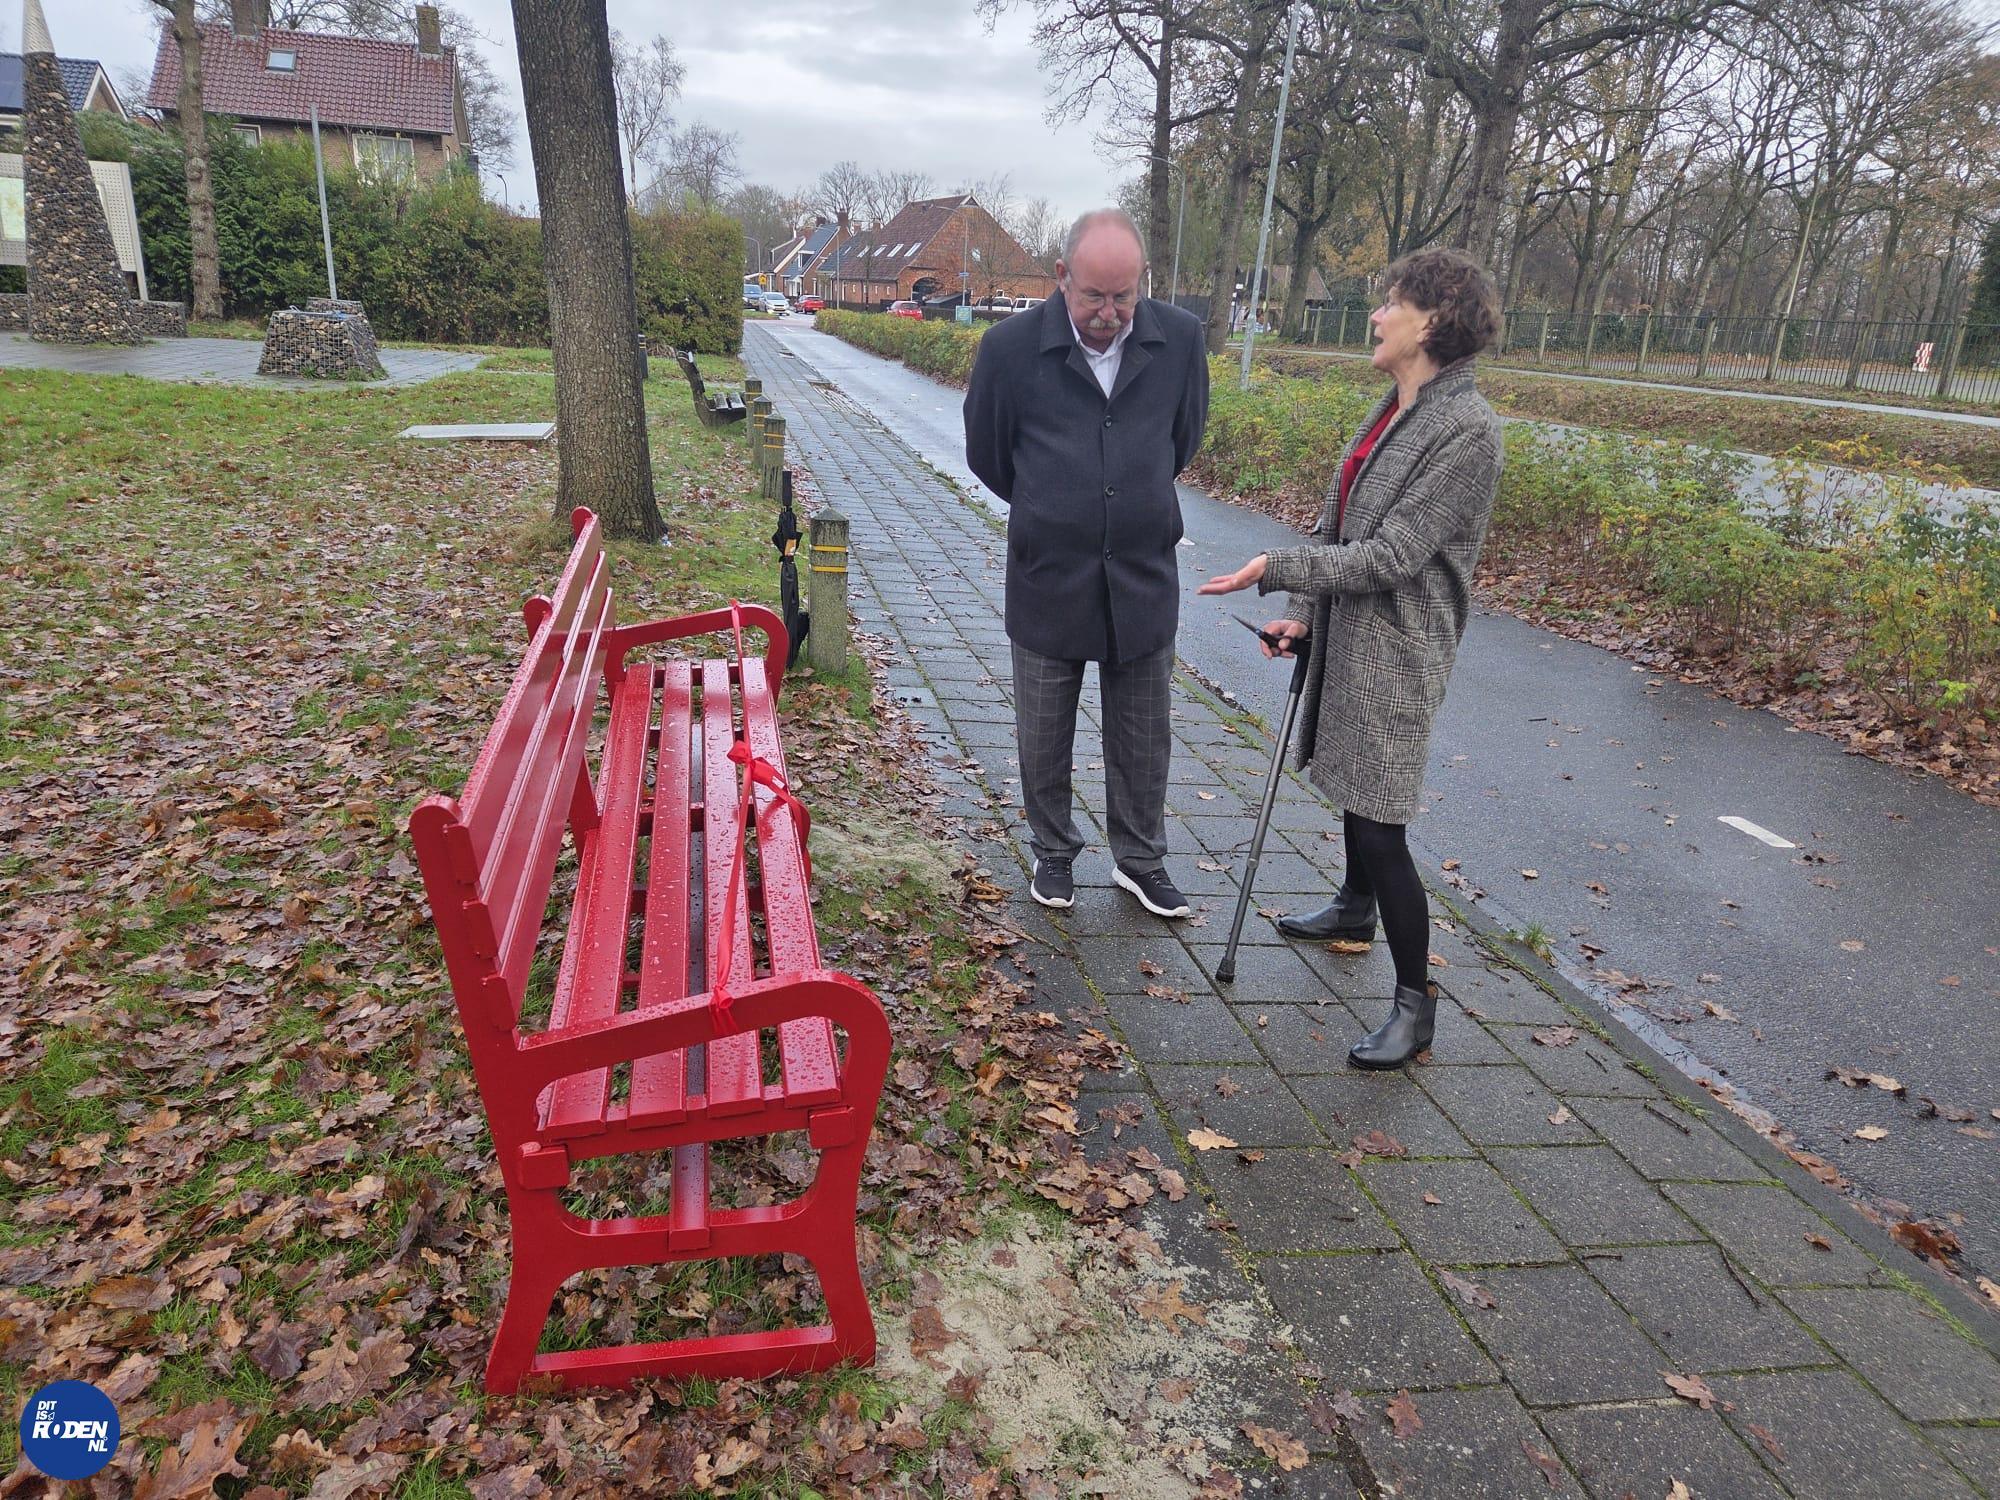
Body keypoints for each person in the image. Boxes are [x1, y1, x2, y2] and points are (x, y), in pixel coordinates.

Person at [1197, 247, 1503, 1067]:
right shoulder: (1395, 407)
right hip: (1350, 630)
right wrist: (1300, 612)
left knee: (1378, 816)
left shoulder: (1466, 430)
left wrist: (1276, 570)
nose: (1375, 315)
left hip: (1399, 647)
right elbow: (1342, 526)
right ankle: (1352, 908)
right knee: (1352, 783)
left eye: (1390, 302)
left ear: (1433, 320)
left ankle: (1416, 1003)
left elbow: (1394, 554)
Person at [964, 209, 1210, 916]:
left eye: (1123, 297)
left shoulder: (1182, 342)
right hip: (1050, 574)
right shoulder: (1009, 349)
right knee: (1044, 732)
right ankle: (1053, 854)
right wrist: (1050, 504)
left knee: (1145, 732)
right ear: (1061, 277)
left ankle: (1140, 859)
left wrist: (1129, 501)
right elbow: (989, 451)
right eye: (1093, 296)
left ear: (1143, 286)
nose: (1109, 313)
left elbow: (1182, 439)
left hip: (1142, 576)